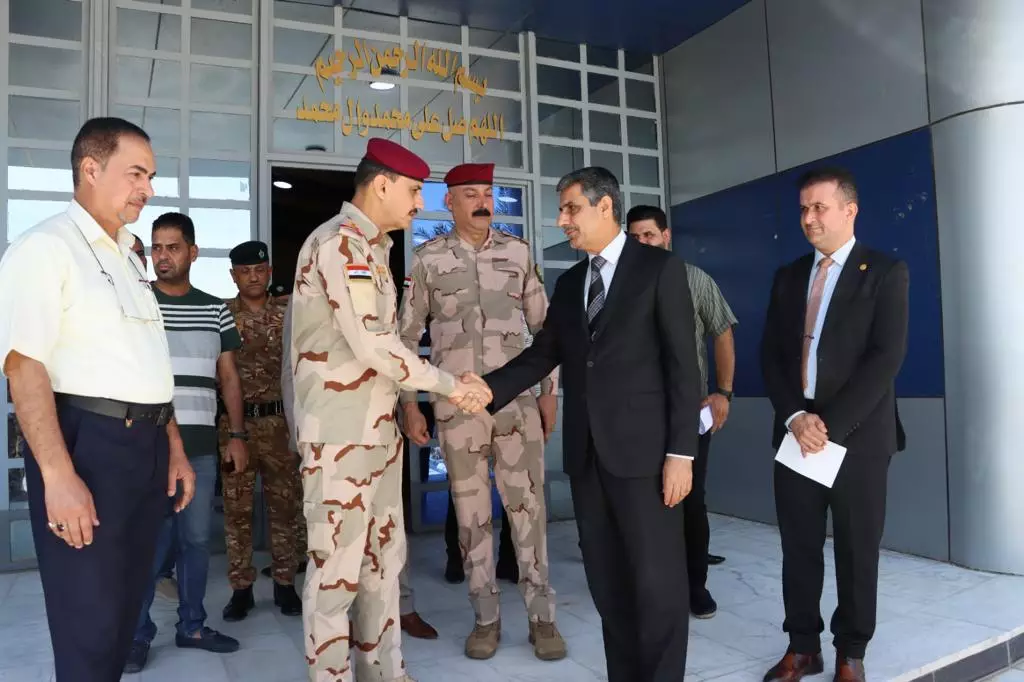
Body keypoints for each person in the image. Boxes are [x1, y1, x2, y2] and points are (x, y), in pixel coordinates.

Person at [482, 166, 702, 682]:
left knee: (658, 585)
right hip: (588, 459)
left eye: (571, 208)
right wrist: (488, 389)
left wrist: (681, 453)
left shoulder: (660, 269)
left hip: (648, 460)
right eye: (561, 210)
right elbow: (545, 354)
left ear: (605, 207)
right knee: (607, 584)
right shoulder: (570, 283)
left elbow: (683, 368)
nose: (562, 220)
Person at [289, 137, 491, 681]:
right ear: (381, 185)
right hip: (340, 437)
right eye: (414, 190)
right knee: (335, 574)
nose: (420, 203)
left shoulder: (374, 247)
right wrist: (451, 386)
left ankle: (386, 673)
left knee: (382, 564)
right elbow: (375, 344)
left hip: (376, 435)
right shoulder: (341, 244)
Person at [0, 117, 195, 681]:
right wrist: (58, 477)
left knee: (123, 611)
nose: (148, 189)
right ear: (90, 168)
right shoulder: (46, 248)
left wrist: (174, 448)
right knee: (88, 619)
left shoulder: (129, 256)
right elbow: (23, 366)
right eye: (136, 173)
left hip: (146, 446)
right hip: (89, 447)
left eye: (151, 176)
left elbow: (147, 364)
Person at [397, 162, 565, 661]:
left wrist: (550, 393)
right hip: (457, 408)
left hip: (518, 404)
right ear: (449, 203)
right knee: (472, 519)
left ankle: (542, 618)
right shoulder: (427, 259)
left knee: (528, 511)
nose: (482, 202)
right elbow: (406, 338)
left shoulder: (518, 253)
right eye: (470, 194)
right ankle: (486, 619)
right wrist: (410, 404)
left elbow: (547, 331)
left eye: (487, 193)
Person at [760, 167, 908, 682]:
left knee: (856, 549)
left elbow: (885, 358)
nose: (809, 218)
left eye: (819, 207)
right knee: (798, 547)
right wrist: (796, 418)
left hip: (858, 437)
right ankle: (803, 647)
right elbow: (771, 356)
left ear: (850, 210)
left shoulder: (884, 272)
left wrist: (828, 426)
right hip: (796, 433)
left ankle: (851, 652)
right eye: (804, 208)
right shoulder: (788, 276)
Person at [125, 211, 248, 672]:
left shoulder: (216, 309)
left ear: (193, 253)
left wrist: (237, 435)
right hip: (148, 447)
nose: (163, 257)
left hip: (199, 448)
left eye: (173, 247)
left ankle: (192, 626)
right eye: (157, 247)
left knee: (196, 541)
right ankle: (136, 635)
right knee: (147, 543)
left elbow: (229, 378)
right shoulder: (139, 304)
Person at [626, 205, 738, 618]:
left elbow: (722, 333)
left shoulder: (694, 279)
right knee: (640, 502)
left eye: (649, 235)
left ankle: (695, 586)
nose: (643, 243)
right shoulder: (618, 285)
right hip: (635, 415)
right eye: (635, 237)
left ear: (666, 236)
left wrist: (723, 392)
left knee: (690, 499)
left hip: (688, 413)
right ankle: (649, 586)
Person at [219, 240, 303, 621]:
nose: (252, 277)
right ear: (233, 275)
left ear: (269, 272)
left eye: (259, 270)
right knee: (236, 509)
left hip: (279, 422)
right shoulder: (222, 314)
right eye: (244, 271)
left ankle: (285, 583)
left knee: (285, 507)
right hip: (235, 427)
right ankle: (241, 589)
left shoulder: (289, 312)